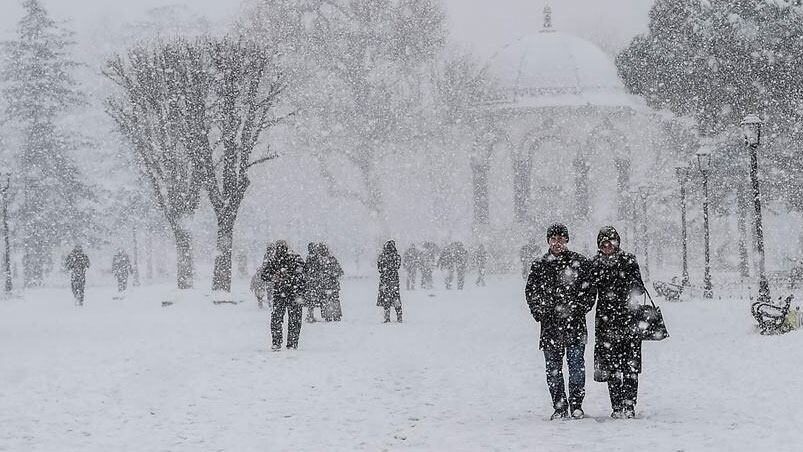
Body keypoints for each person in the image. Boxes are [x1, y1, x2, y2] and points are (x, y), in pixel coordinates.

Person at [525, 223, 592, 420]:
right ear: (548, 241)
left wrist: (578, 309)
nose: (557, 243)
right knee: (553, 370)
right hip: (550, 326)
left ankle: (576, 405)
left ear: (567, 240)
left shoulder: (579, 262)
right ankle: (560, 406)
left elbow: (589, 291)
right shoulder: (540, 264)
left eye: (561, 239)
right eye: (553, 239)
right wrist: (540, 311)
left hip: (575, 324)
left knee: (576, 367)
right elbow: (531, 291)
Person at [586, 226, 647, 419]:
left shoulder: (628, 260)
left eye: (610, 241)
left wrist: (626, 289)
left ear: (617, 242)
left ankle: (629, 405)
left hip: (629, 318)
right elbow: (588, 291)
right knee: (610, 366)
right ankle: (617, 405)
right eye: (603, 243)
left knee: (630, 365)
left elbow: (639, 288)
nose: (607, 246)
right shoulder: (595, 263)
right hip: (606, 321)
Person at [262, 241, 305, 351]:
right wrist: (274, 276)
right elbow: (264, 275)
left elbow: (303, 273)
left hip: (287, 294)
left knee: (280, 319)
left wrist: (280, 277)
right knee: (291, 320)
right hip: (289, 294)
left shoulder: (278, 260)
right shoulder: (292, 259)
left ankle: (281, 343)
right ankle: (290, 343)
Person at [377, 240, 402, 323]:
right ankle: (399, 316)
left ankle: (387, 318)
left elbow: (380, 269)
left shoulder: (382, 256)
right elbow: (397, 266)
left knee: (386, 298)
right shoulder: (397, 256)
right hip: (394, 279)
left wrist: (385, 269)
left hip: (385, 280)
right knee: (396, 297)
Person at [320, 244, 344, 321]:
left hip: (326, 284)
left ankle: (329, 315)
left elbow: (339, 271)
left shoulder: (319, 261)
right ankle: (334, 315)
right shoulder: (331, 259)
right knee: (333, 300)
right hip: (331, 284)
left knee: (328, 300)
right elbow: (340, 271)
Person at [303, 243, 324, 323]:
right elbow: (319, 268)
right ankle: (310, 316)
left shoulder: (309, 257)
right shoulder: (315, 257)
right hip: (314, 282)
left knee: (310, 300)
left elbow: (306, 269)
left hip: (310, 282)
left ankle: (310, 315)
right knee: (313, 300)